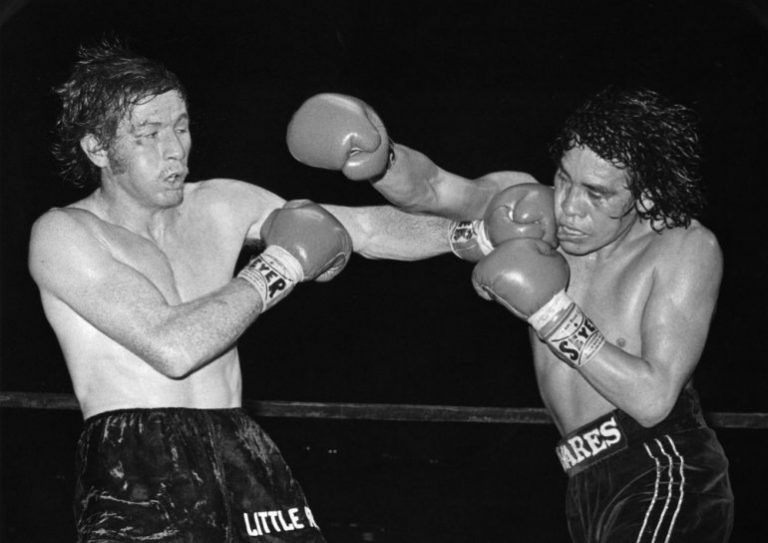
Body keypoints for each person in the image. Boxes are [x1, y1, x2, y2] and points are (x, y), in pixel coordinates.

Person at [28, 41, 452, 543]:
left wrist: (472, 234)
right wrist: (281, 265)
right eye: (149, 134)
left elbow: (365, 230)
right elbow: (172, 348)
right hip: (135, 462)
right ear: (98, 148)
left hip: (239, 447)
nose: (174, 149)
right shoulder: (65, 234)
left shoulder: (221, 203)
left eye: (181, 127)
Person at [286, 88, 735, 542]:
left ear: (648, 196)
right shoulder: (530, 209)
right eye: (564, 180)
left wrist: (552, 312)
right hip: (584, 482)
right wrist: (382, 159)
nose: (569, 207)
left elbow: (653, 398)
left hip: (663, 469)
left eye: (597, 194)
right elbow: (433, 188)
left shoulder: (683, 247)